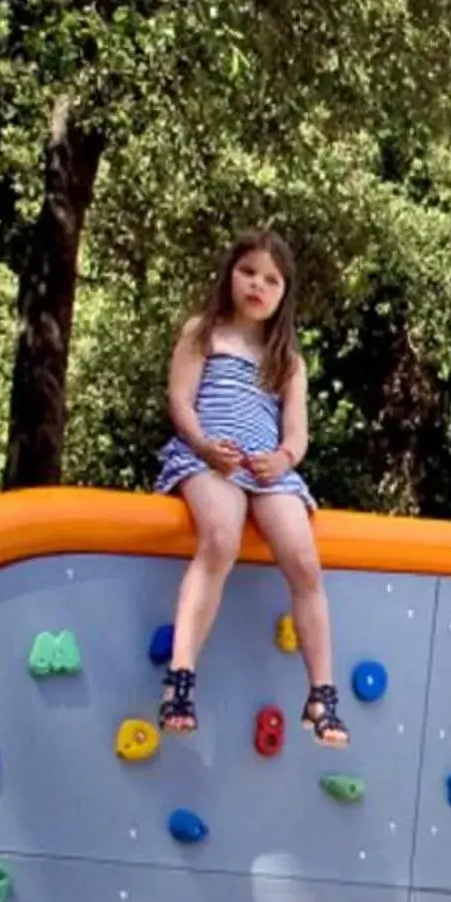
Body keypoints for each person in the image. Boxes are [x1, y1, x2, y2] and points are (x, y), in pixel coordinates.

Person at [152, 229, 346, 745]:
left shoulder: (287, 360)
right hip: (209, 458)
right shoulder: (204, 332)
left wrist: (282, 458)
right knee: (220, 538)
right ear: (230, 276)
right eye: (248, 273)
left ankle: (321, 693)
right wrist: (204, 444)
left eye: (271, 280)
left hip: (267, 470)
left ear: (284, 294)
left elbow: (297, 433)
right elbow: (180, 401)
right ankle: (181, 677)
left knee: (304, 560)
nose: (257, 285)